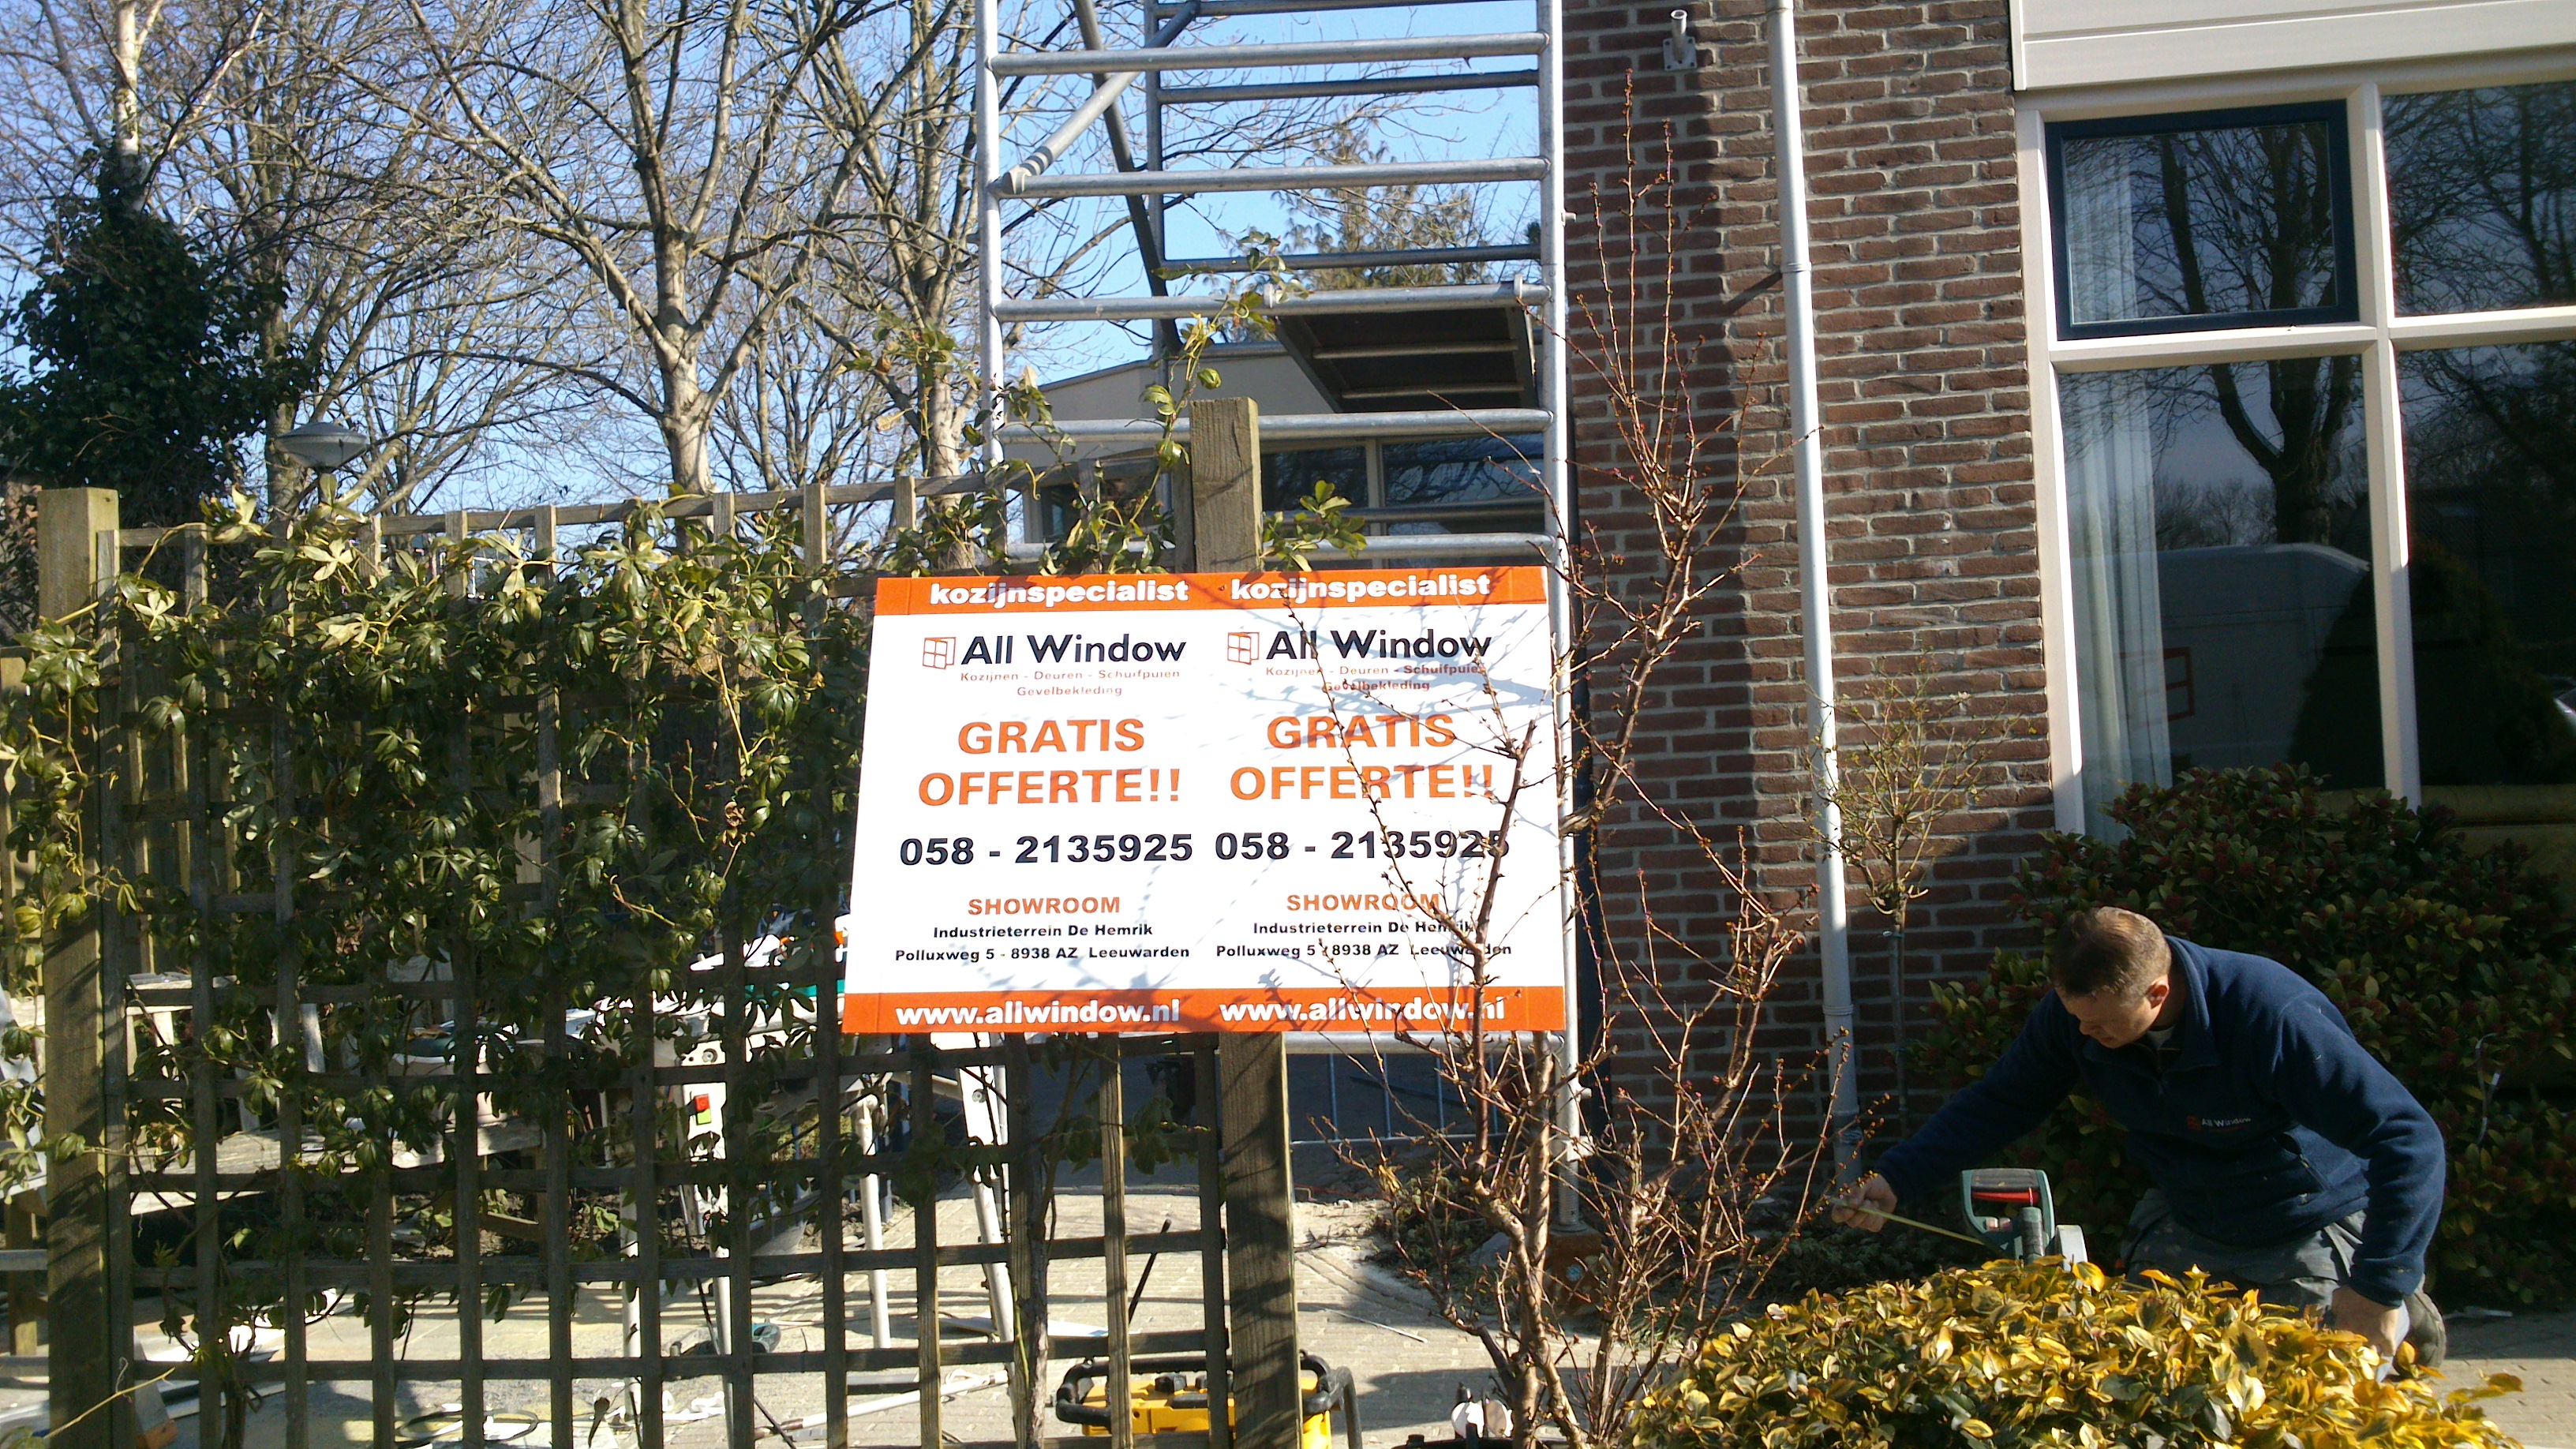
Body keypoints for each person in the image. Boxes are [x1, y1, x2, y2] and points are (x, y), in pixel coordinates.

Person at [1836, 906, 2446, 1364]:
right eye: (2076, 1019)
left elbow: (2408, 1139)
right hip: (2188, 1218)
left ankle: (2400, 1312)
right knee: (2152, 1384)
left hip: (2302, 1220)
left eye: (2100, 1024)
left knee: (2308, 1393)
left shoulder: (2269, 1017)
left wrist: (2377, 1288)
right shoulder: (2076, 1019)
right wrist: (1899, 1178)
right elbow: (2000, 1102)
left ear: (2158, 993)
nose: (2085, 1035)